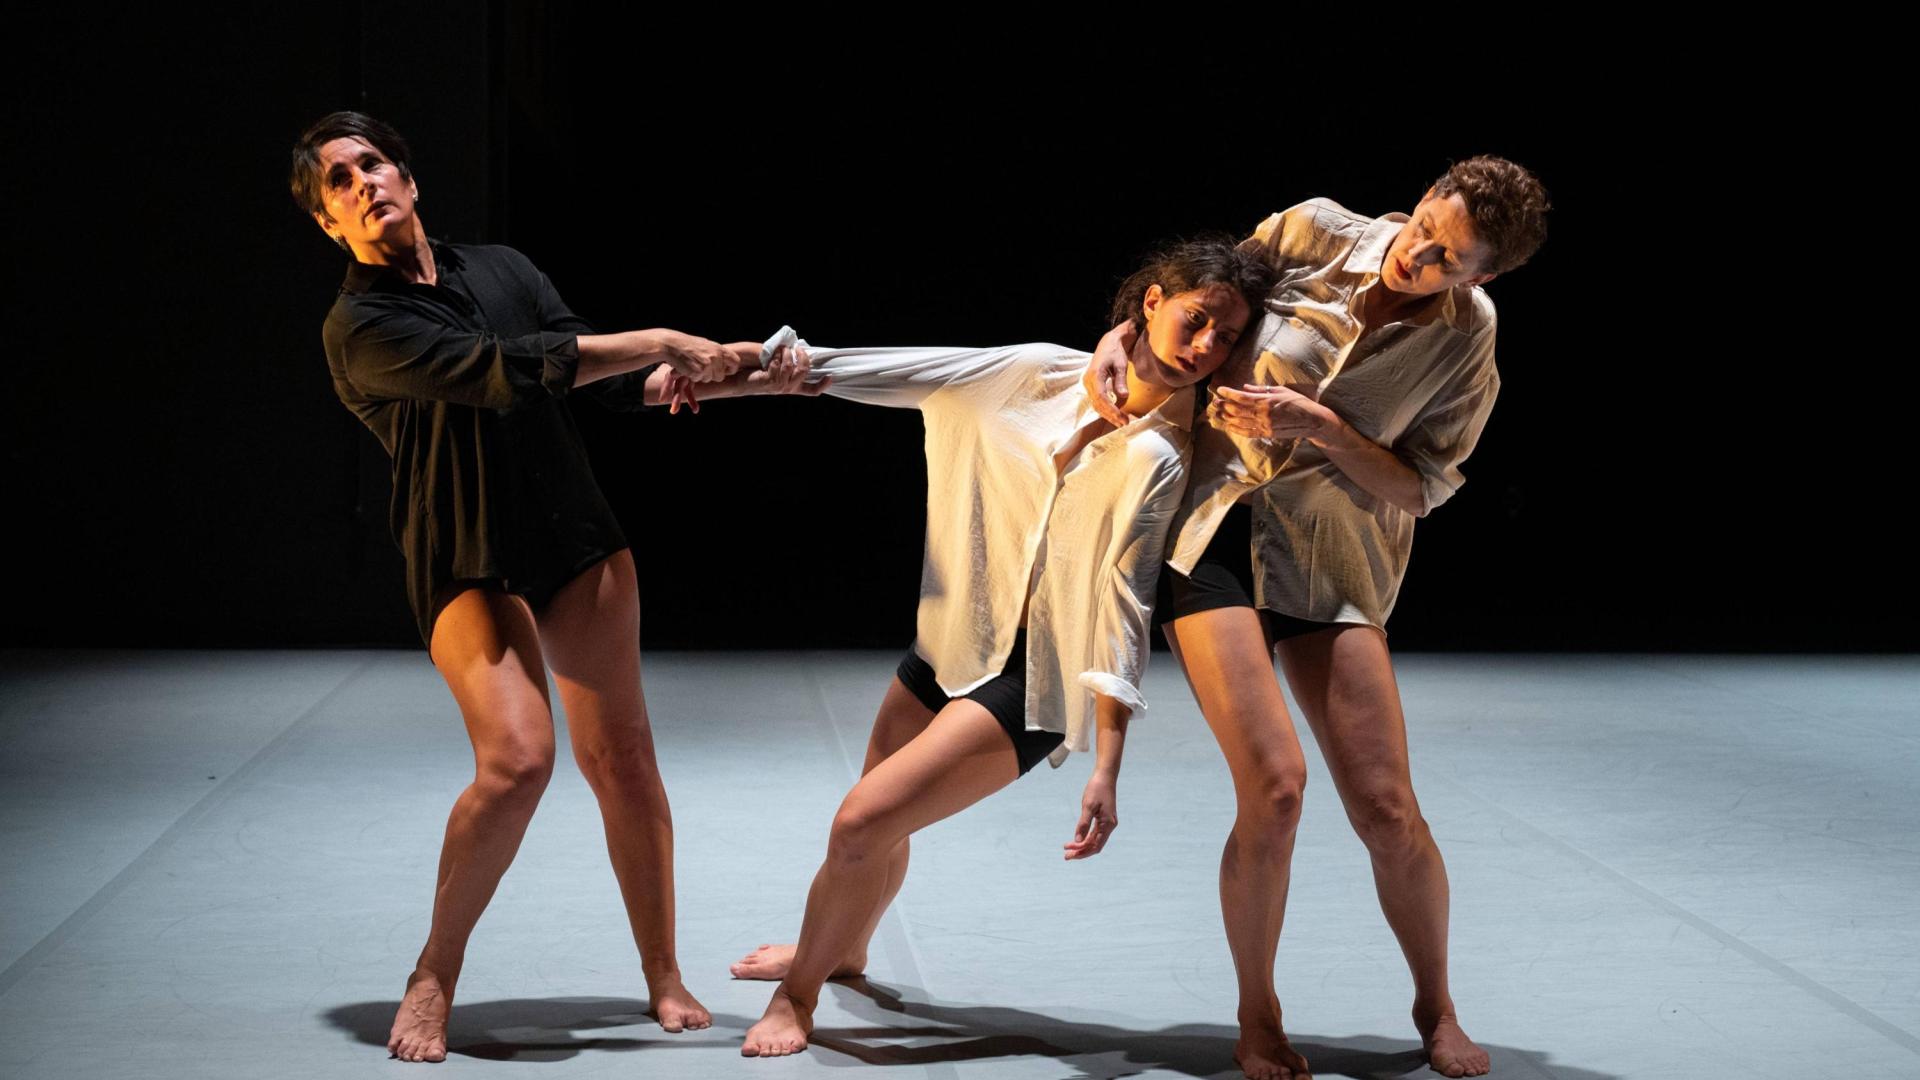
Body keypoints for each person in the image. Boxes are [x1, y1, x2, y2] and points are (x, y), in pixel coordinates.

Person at [289, 111, 820, 1064]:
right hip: (461, 549)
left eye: (372, 163)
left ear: (408, 177)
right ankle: (434, 973)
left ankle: (662, 973)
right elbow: (500, 375)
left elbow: (610, 384)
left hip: (570, 530)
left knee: (624, 758)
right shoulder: (359, 326)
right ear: (331, 224)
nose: (363, 182)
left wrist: (742, 375)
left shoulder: (503, 267)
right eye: (338, 181)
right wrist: (664, 335)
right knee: (519, 761)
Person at [733, 240, 1275, 1057]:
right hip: (953, 638)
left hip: (1034, 683)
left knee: (858, 824)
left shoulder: (1163, 457)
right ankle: (841, 949)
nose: (1205, 348)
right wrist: (760, 370)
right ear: (1152, 302)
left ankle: (798, 992)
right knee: (876, 825)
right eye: (1196, 320)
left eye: (1226, 339)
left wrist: (1108, 761)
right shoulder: (1033, 373)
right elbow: (910, 372)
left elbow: (1125, 603)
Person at [1083, 156, 1549, 1080]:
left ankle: (1436, 1006)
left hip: (1331, 558)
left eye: (1449, 259)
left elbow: (1422, 489)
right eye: (1423, 224)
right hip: (1212, 530)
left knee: (1385, 806)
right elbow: (1199, 303)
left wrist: (1326, 430)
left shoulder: (1467, 341)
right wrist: (1117, 332)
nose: (1417, 254)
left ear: (1483, 277)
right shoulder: (1314, 233)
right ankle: (1258, 1014)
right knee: (1279, 789)